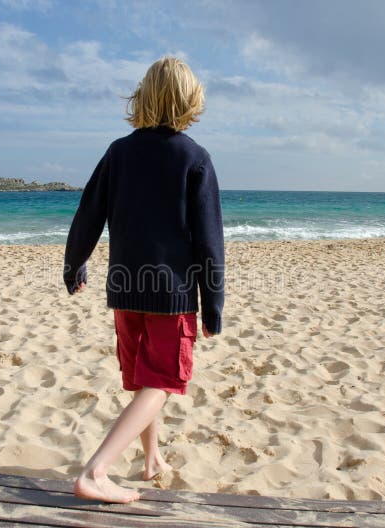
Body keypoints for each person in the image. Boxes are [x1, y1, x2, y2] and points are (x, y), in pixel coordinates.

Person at [63, 56, 225, 504]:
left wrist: (74, 264)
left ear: (144, 95)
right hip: (171, 295)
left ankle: (152, 458)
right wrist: (213, 305)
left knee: (142, 379)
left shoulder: (118, 151)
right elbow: (210, 240)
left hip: (124, 290)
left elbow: (88, 214)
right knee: (163, 383)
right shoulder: (194, 158)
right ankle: (96, 472)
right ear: (190, 100)